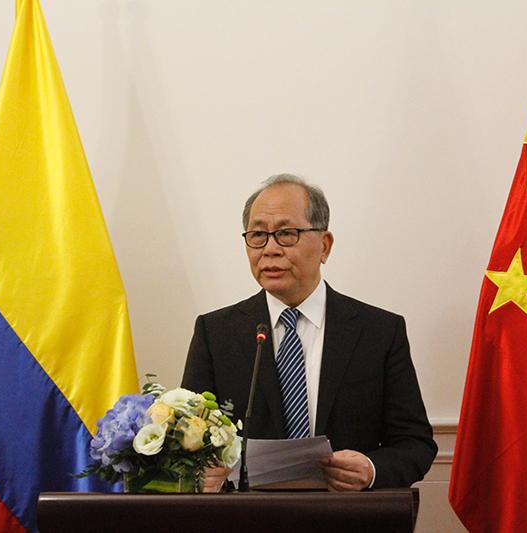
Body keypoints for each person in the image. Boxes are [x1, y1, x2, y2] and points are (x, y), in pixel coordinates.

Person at [182, 174, 437, 492]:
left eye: (286, 234)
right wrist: (203, 472)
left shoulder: (379, 331)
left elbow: (415, 444)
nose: (270, 249)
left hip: (347, 513)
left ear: (324, 246)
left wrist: (371, 470)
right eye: (258, 235)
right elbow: (187, 440)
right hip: (248, 514)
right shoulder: (216, 333)